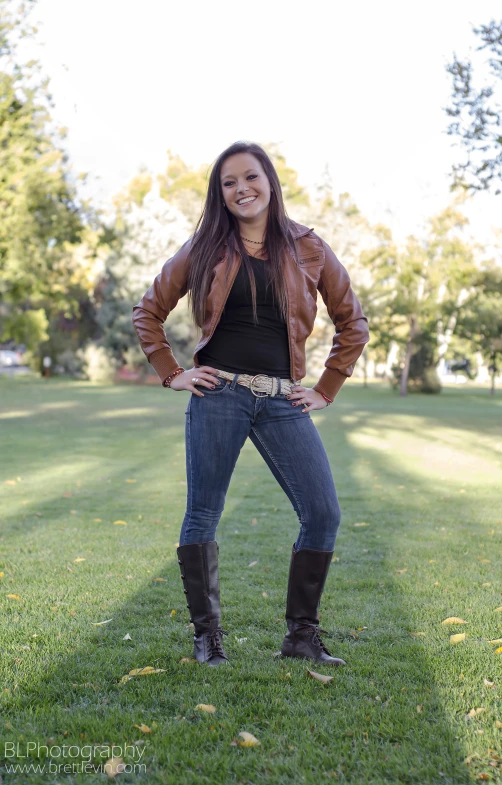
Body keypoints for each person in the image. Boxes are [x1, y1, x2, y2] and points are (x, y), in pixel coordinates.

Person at [132, 141, 369, 667]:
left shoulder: (309, 247)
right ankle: (207, 637)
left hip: (283, 399)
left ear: (270, 181)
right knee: (203, 513)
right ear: (221, 194)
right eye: (229, 183)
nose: (242, 189)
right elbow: (148, 311)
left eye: (250, 177)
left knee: (322, 511)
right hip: (219, 393)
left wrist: (327, 386)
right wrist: (172, 372)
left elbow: (353, 323)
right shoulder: (206, 246)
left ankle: (302, 637)